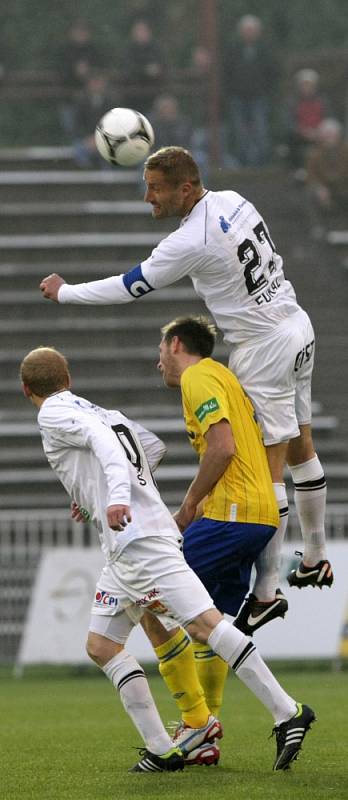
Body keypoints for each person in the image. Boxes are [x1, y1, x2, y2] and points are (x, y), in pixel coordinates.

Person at [39, 145, 334, 621]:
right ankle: (317, 557)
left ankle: (267, 593)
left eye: (155, 189)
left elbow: (129, 285)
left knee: (267, 465)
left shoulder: (189, 241)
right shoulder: (235, 200)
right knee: (302, 443)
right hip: (296, 323)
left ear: (186, 188)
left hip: (263, 346)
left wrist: (66, 292)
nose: (147, 198)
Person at [20, 345, 316, 773]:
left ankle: (288, 711)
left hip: (140, 544)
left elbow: (106, 447)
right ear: (68, 378)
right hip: (125, 551)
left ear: (26, 388)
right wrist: (98, 494)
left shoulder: (52, 414)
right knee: (102, 646)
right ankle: (164, 747)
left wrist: (118, 498)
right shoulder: (101, 410)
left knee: (204, 624)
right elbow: (150, 448)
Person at [141, 312, 286, 767]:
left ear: (178, 344)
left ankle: (196, 720)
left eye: (161, 350)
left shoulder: (198, 378)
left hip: (234, 515)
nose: (157, 361)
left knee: (151, 601)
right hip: (259, 516)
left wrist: (187, 507)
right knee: (211, 622)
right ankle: (209, 730)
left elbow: (222, 448)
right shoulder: (224, 375)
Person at [223, 14, 277, 167]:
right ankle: (243, 161)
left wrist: (267, 90)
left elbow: (272, 72)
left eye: (252, 30)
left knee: (261, 129)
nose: (249, 33)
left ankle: (262, 161)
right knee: (240, 131)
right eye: (246, 30)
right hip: (238, 96)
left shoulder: (265, 49)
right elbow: (227, 72)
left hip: (259, 96)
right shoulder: (233, 49)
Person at [305, 117, 348, 239]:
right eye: (327, 135)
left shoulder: (346, 151)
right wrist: (319, 188)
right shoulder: (314, 154)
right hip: (326, 189)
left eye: (332, 135)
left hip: (344, 187)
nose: (330, 138)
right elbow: (311, 176)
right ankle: (318, 227)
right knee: (310, 194)